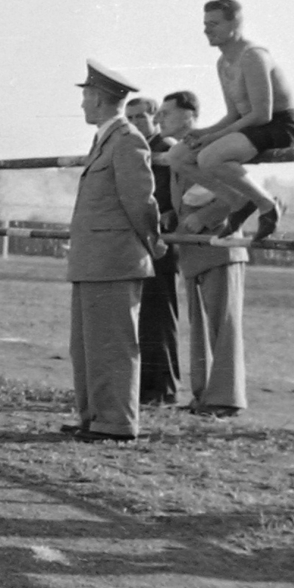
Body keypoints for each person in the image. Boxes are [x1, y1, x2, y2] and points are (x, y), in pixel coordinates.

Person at [62, 62, 165, 443]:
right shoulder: (108, 138)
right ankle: (94, 416)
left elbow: (140, 202)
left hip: (114, 259)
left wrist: (151, 242)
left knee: (113, 346)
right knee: (87, 346)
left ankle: (117, 421)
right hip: (94, 258)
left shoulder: (126, 140)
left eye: (86, 96)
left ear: (101, 100)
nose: (83, 104)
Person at [168, 0, 294, 241]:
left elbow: (263, 114)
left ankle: (266, 205)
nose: (207, 30)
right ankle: (237, 201)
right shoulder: (222, 62)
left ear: (235, 23)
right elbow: (233, 114)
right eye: (205, 23)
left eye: (215, 23)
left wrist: (215, 137)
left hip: (280, 124)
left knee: (209, 157)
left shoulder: (252, 56)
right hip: (249, 125)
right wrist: (203, 132)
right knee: (176, 156)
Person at [160, 91, 248, 418]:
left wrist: (206, 217)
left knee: (222, 327)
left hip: (220, 245)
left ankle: (226, 399)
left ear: (189, 116)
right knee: (198, 328)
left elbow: (240, 193)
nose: (160, 120)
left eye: (167, 113)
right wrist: (173, 215)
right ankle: (204, 396)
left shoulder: (212, 147)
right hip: (192, 248)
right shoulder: (179, 153)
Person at [126, 96, 179, 406]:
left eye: (140, 118)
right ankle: (147, 385)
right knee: (143, 315)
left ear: (155, 118)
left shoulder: (166, 148)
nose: (135, 124)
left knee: (159, 316)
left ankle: (163, 387)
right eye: (130, 119)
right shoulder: (135, 148)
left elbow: (169, 197)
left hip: (161, 240)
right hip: (140, 240)